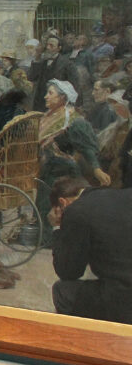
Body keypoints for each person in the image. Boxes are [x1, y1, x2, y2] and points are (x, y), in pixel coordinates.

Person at [47, 176, 132, 323]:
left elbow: (68, 271)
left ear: (62, 202)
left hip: (124, 299)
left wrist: (57, 228)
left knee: (62, 291)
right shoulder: (126, 195)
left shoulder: (76, 211)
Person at [37, 79, 109, 246]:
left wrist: (96, 169)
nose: (45, 97)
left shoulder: (73, 119)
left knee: (64, 208)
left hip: (65, 172)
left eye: (50, 93)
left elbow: (86, 148)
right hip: (48, 170)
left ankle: (63, 242)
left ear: (62, 98)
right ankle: (47, 240)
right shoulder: (46, 116)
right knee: (43, 205)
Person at [28, 36, 72, 112]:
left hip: (57, 104)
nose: (48, 48)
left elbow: (72, 84)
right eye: (47, 45)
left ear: (59, 48)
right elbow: (31, 78)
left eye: (51, 45)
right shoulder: (42, 62)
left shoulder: (66, 64)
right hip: (41, 103)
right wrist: (37, 58)